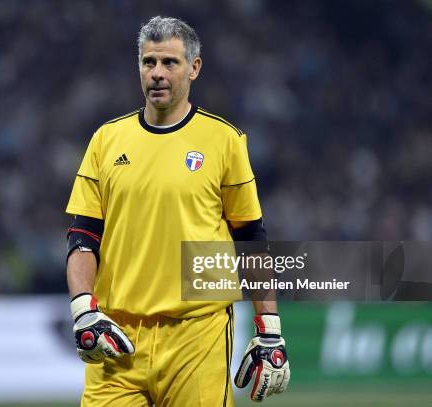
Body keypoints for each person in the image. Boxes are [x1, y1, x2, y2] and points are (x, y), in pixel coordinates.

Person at [65, 16, 290, 406]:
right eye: (148, 62)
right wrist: (84, 309)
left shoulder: (224, 141)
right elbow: (83, 238)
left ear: (194, 68)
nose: (157, 73)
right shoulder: (105, 140)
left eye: (169, 62)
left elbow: (251, 238)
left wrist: (269, 327)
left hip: (196, 336)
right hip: (117, 338)